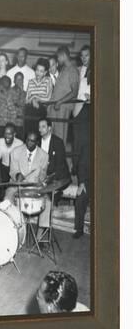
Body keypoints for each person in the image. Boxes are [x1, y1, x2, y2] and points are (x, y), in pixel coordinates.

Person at [5, 131, 50, 234]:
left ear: (37, 142)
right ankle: (10, 231)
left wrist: (41, 181)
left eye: (32, 141)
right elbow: (12, 171)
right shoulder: (15, 152)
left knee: (47, 202)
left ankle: (40, 237)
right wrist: (17, 175)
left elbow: (43, 175)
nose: (29, 143)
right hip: (17, 185)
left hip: (34, 186)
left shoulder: (44, 156)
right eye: (28, 140)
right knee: (7, 198)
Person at [47, 46, 80, 145]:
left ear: (63, 55)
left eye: (58, 57)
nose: (58, 59)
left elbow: (74, 92)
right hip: (55, 107)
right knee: (51, 137)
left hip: (62, 107)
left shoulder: (72, 70)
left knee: (59, 138)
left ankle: (60, 160)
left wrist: (60, 102)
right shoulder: (64, 69)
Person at [72, 73, 90, 238]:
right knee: (80, 199)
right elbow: (83, 163)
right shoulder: (88, 145)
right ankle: (79, 229)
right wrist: (82, 182)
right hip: (89, 180)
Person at [25, 58, 53, 137]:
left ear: (45, 72)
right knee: (29, 135)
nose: (38, 73)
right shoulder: (31, 81)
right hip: (30, 112)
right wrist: (33, 100)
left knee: (39, 136)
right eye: (37, 70)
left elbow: (48, 98)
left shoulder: (48, 80)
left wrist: (35, 97)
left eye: (41, 71)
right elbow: (26, 100)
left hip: (42, 112)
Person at [38, 118, 70, 183]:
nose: (40, 129)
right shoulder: (37, 142)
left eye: (43, 127)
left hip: (57, 177)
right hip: (42, 176)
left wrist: (48, 178)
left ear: (49, 128)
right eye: (39, 127)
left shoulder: (58, 142)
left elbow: (59, 164)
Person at [0, 75, 25, 139]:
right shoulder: (3, 93)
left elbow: (12, 106)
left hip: (11, 122)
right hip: (4, 122)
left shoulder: (9, 93)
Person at [74, 45, 91, 118]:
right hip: (78, 105)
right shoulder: (79, 69)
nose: (83, 58)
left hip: (88, 105)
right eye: (82, 56)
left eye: (86, 55)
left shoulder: (98, 69)